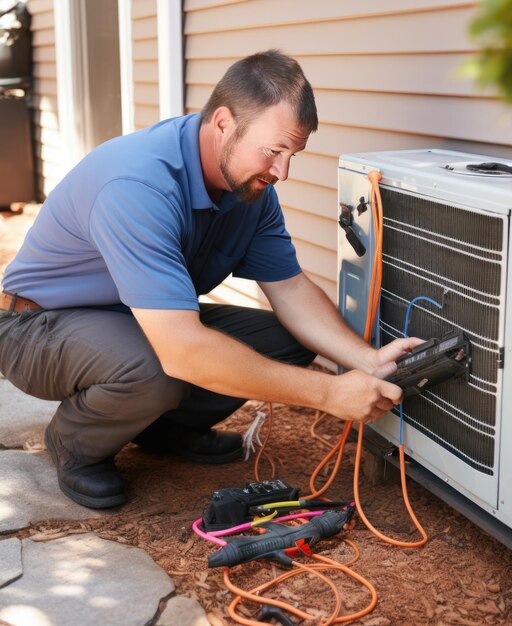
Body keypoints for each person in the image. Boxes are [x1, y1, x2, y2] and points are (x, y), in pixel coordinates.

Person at [0, 50, 419, 510]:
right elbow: (180, 349)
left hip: (132, 320)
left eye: (292, 154)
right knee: (159, 366)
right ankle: (73, 442)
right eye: (273, 151)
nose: (282, 172)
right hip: (36, 326)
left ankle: (164, 431)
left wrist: (367, 360)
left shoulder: (250, 189)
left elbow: (292, 290)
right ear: (223, 123)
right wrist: (329, 393)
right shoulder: (139, 185)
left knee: (284, 339)